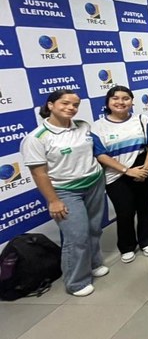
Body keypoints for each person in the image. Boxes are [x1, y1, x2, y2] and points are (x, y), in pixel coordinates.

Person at [21, 90, 108, 297]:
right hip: (66, 191)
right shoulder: (37, 137)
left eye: (75, 104)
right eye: (65, 103)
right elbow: (39, 173)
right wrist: (53, 200)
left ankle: (94, 263)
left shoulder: (83, 126)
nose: (71, 108)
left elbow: (95, 152)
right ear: (50, 105)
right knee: (76, 237)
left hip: (94, 182)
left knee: (94, 228)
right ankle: (76, 281)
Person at [92, 86, 148, 264]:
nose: (120, 102)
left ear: (131, 101)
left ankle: (147, 240)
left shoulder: (142, 119)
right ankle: (127, 246)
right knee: (125, 212)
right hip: (117, 175)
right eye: (115, 98)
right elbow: (101, 155)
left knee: (145, 208)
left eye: (125, 98)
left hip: (142, 170)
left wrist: (145, 167)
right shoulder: (97, 127)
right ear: (108, 102)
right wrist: (127, 171)